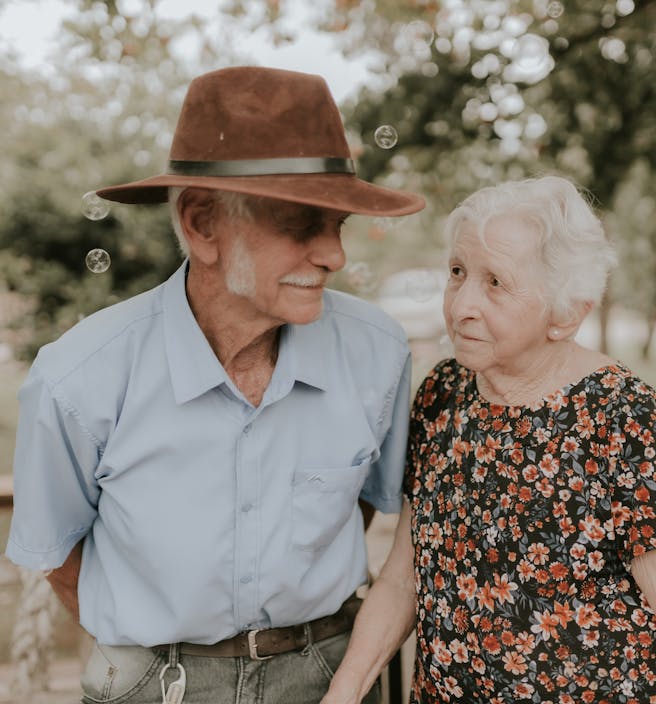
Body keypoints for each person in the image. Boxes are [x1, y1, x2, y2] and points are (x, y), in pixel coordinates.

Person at [5, 65, 425, 704]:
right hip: (153, 683)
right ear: (203, 225)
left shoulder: (379, 353)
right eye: (301, 224)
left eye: (337, 225)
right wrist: (153, 656)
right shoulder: (77, 379)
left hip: (331, 676)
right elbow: (56, 553)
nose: (334, 256)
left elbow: (359, 505)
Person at [322, 176, 656, 704]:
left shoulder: (618, 414)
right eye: (458, 273)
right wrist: (343, 692)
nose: (461, 305)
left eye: (495, 282)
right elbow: (405, 577)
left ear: (567, 314)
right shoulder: (443, 393)